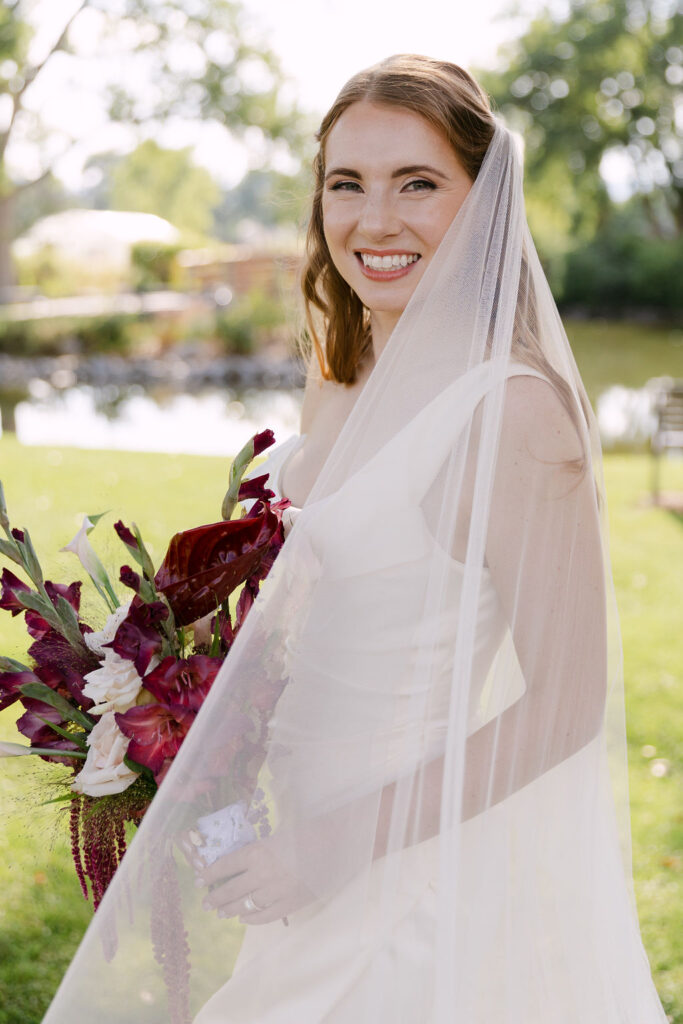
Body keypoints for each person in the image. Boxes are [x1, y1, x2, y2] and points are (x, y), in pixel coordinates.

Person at [42, 55, 667, 1023]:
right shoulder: (340, 371)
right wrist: (169, 709)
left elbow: (566, 703)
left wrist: (337, 842)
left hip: (400, 877)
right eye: (347, 184)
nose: (374, 220)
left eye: (416, 183)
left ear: (481, 201)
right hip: (284, 860)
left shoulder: (510, 413)